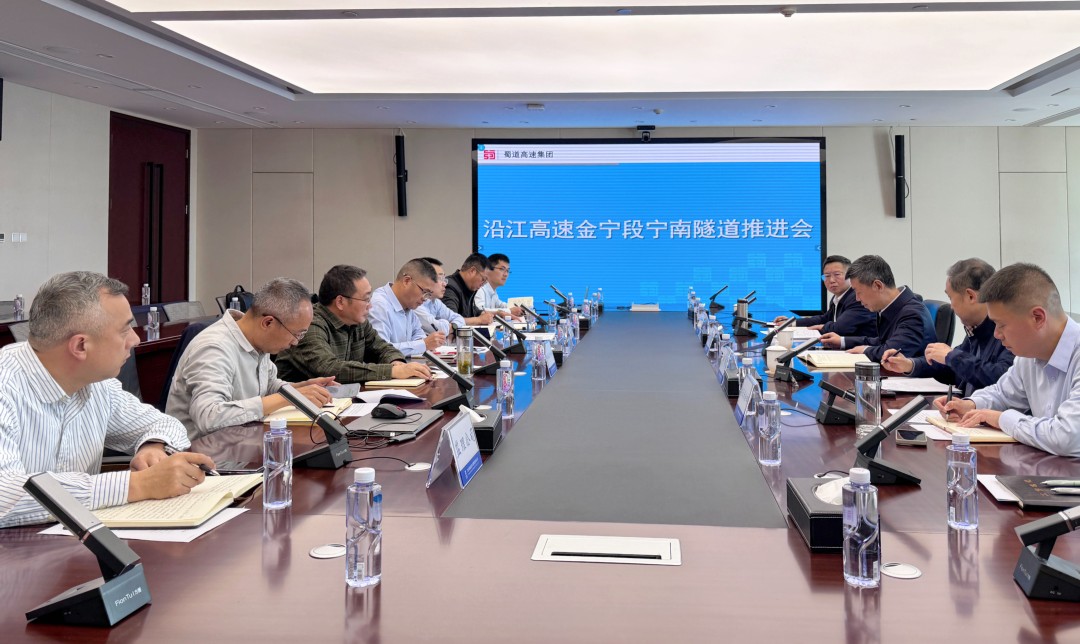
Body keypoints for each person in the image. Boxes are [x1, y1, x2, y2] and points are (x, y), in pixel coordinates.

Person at [0, 271, 214, 528]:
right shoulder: (6, 385)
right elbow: (5, 494)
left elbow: (165, 424)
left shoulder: (97, 385)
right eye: (125, 330)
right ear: (80, 346)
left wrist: (153, 446)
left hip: (74, 540)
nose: (135, 340)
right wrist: (137, 485)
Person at [167, 278, 335, 441]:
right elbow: (209, 417)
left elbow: (267, 385)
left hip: (241, 442)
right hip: (201, 453)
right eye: (297, 334)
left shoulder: (258, 340)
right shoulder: (214, 348)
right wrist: (288, 398)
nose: (295, 342)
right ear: (268, 323)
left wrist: (300, 389)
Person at [939, 263, 1080, 457]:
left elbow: (1067, 437)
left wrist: (1001, 419)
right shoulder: (1028, 355)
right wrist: (971, 405)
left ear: (1038, 317)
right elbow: (1002, 394)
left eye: (1001, 325)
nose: (996, 335)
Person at [275, 265, 432, 384]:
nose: (370, 305)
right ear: (340, 302)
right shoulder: (310, 324)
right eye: (366, 299)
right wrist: (392, 371)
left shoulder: (357, 322)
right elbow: (329, 369)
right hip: (295, 411)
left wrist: (396, 363)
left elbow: (383, 348)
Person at [882, 258, 1013, 396]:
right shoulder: (976, 328)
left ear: (970, 296)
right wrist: (909, 364)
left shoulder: (1007, 331)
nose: (951, 306)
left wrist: (953, 357)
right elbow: (953, 369)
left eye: (951, 297)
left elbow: (1003, 380)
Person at [819, 254, 935, 362]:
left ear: (878, 286)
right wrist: (842, 341)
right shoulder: (892, 306)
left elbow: (891, 353)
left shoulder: (912, 314)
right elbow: (880, 341)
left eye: (859, 292)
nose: (857, 299)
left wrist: (865, 350)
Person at [773, 255, 876, 337]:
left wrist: (820, 327)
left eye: (837, 274)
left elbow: (841, 328)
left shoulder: (856, 297)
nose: (831, 280)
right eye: (827, 276)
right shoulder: (837, 297)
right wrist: (792, 322)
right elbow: (824, 318)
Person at [369, 258, 446, 356]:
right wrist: (424, 344)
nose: (425, 298)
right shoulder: (379, 305)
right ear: (407, 281)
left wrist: (425, 343)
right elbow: (380, 350)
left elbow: (418, 335)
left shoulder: (408, 304)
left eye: (429, 294)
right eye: (424, 292)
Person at [414, 257, 466, 335]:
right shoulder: (415, 304)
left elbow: (460, 319)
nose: (445, 283)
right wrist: (445, 323)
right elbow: (439, 329)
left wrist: (452, 326)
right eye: (440, 278)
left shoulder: (435, 302)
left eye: (444, 278)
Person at [442, 253, 495, 326]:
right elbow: (451, 320)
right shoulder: (449, 288)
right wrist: (479, 320)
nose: (483, 284)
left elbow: (474, 311)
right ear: (472, 271)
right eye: (483, 279)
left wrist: (486, 314)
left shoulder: (468, 287)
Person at [475, 253, 523, 319]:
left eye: (508, 271)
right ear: (488, 269)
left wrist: (519, 308)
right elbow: (479, 311)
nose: (506, 274)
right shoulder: (479, 288)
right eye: (502, 269)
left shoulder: (492, 290)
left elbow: (501, 305)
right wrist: (509, 311)